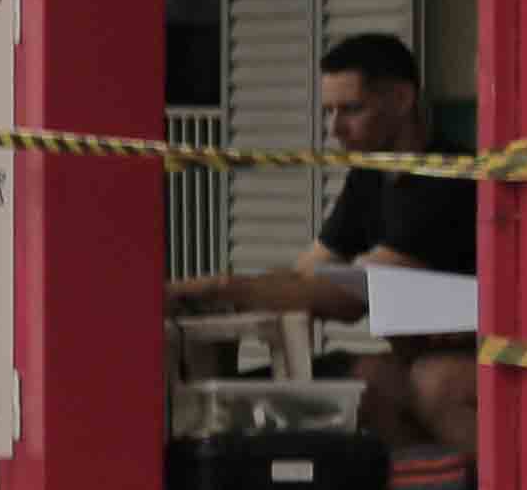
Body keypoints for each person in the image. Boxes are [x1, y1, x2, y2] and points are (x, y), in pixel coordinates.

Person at [172, 32, 489, 455]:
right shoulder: (369, 175)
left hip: (501, 360)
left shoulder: (445, 177)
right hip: (432, 358)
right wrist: (215, 295)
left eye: (351, 110)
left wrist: (223, 289)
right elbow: (307, 271)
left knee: (433, 384)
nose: (335, 129)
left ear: (401, 98)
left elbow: (351, 294)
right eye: (330, 112)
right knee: (364, 383)